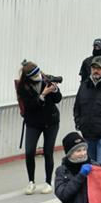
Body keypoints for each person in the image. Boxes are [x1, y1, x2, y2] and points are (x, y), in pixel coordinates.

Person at [17, 60, 62, 195]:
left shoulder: (46, 79)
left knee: (48, 152)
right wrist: (42, 95)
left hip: (51, 121)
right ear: (28, 77)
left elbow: (57, 99)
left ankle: (48, 182)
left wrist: (54, 90)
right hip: (33, 122)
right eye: (34, 75)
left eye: (38, 72)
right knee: (29, 151)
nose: (38, 76)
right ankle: (31, 182)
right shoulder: (22, 87)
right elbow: (29, 106)